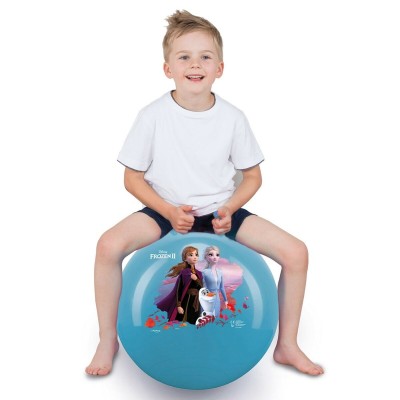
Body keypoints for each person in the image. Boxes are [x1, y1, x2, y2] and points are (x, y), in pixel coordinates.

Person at [85, 10, 324, 376]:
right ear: (168, 68)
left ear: (220, 68)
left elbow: (252, 177)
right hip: (164, 211)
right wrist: (167, 210)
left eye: (205, 57)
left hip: (220, 212)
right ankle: (107, 339)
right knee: (107, 246)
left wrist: (230, 208)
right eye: (184, 57)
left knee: (297, 253)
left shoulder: (233, 118)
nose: (195, 64)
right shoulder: (152, 116)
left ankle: (287, 345)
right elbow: (132, 179)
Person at [156, 246, 203, 324]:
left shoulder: (199, 273)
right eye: (191, 255)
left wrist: (196, 279)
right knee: (183, 321)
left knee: (194, 321)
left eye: (196, 254)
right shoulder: (185, 273)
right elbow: (179, 289)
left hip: (196, 301)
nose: (195, 257)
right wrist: (179, 306)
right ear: (185, 258)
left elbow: (202, 288)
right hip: (186, 300)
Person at [201, 246, 228, 316]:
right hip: (207, 299)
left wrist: (226, 300)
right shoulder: (204, 272)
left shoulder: (220, 272)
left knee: (215, 316)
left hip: (217, 299)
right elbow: (203, 288)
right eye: (211, 255)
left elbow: (222, 288)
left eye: (217, 255)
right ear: (206, 257)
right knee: (206, 318)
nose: (215, 257)